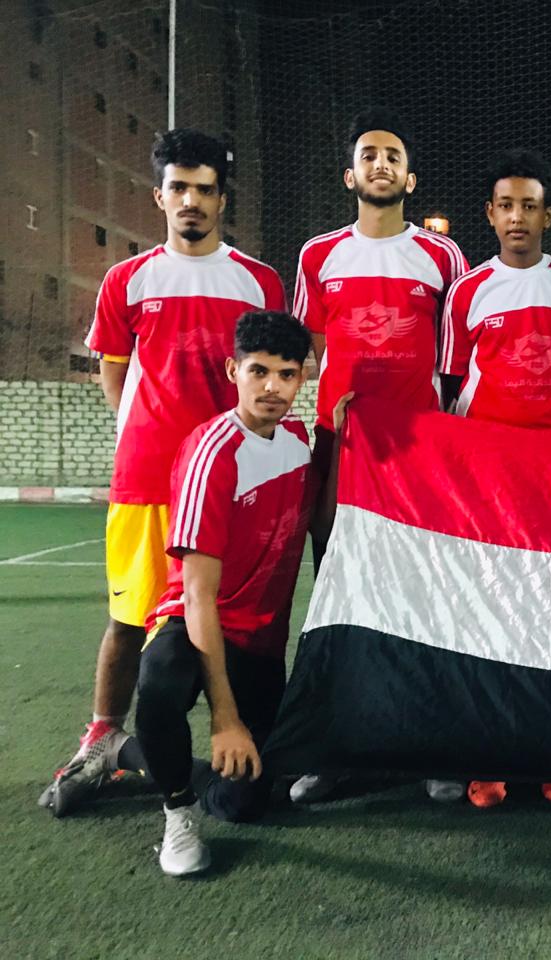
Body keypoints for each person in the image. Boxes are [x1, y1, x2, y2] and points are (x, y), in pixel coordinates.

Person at [41, 130, 286, 816]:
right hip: (149, 480)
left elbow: (270, 372)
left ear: (221, 199)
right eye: (179, 188)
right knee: (130, 619)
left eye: (205, 189)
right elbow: (113, 374)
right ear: (159, 197)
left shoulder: (258, 281)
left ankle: (237, 740)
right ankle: (102, 738)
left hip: (232, 484)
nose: (192, 201)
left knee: (228, 622)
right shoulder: (128, 280)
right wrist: (149, 431)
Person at [289, 108, 468, 807]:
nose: (381, 164)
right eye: (369, 154)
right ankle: (335, 749)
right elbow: (313, 348)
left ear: (410, 178)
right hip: (341, 451)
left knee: (425, 598)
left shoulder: (442, 257)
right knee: (338, 597)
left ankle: (432, 746)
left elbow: (455, 360)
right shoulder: (319, 255)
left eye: (393, 155)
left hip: (419, 456)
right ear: (350, 175)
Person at [440, 148, 551, 807]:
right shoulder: (468, 291)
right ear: (490, 214)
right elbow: (452, 388)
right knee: (492, 616)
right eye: (507, 205)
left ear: (548, 216)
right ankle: (489, 759)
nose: (518, 217)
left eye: (530, 206)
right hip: (492, 483)